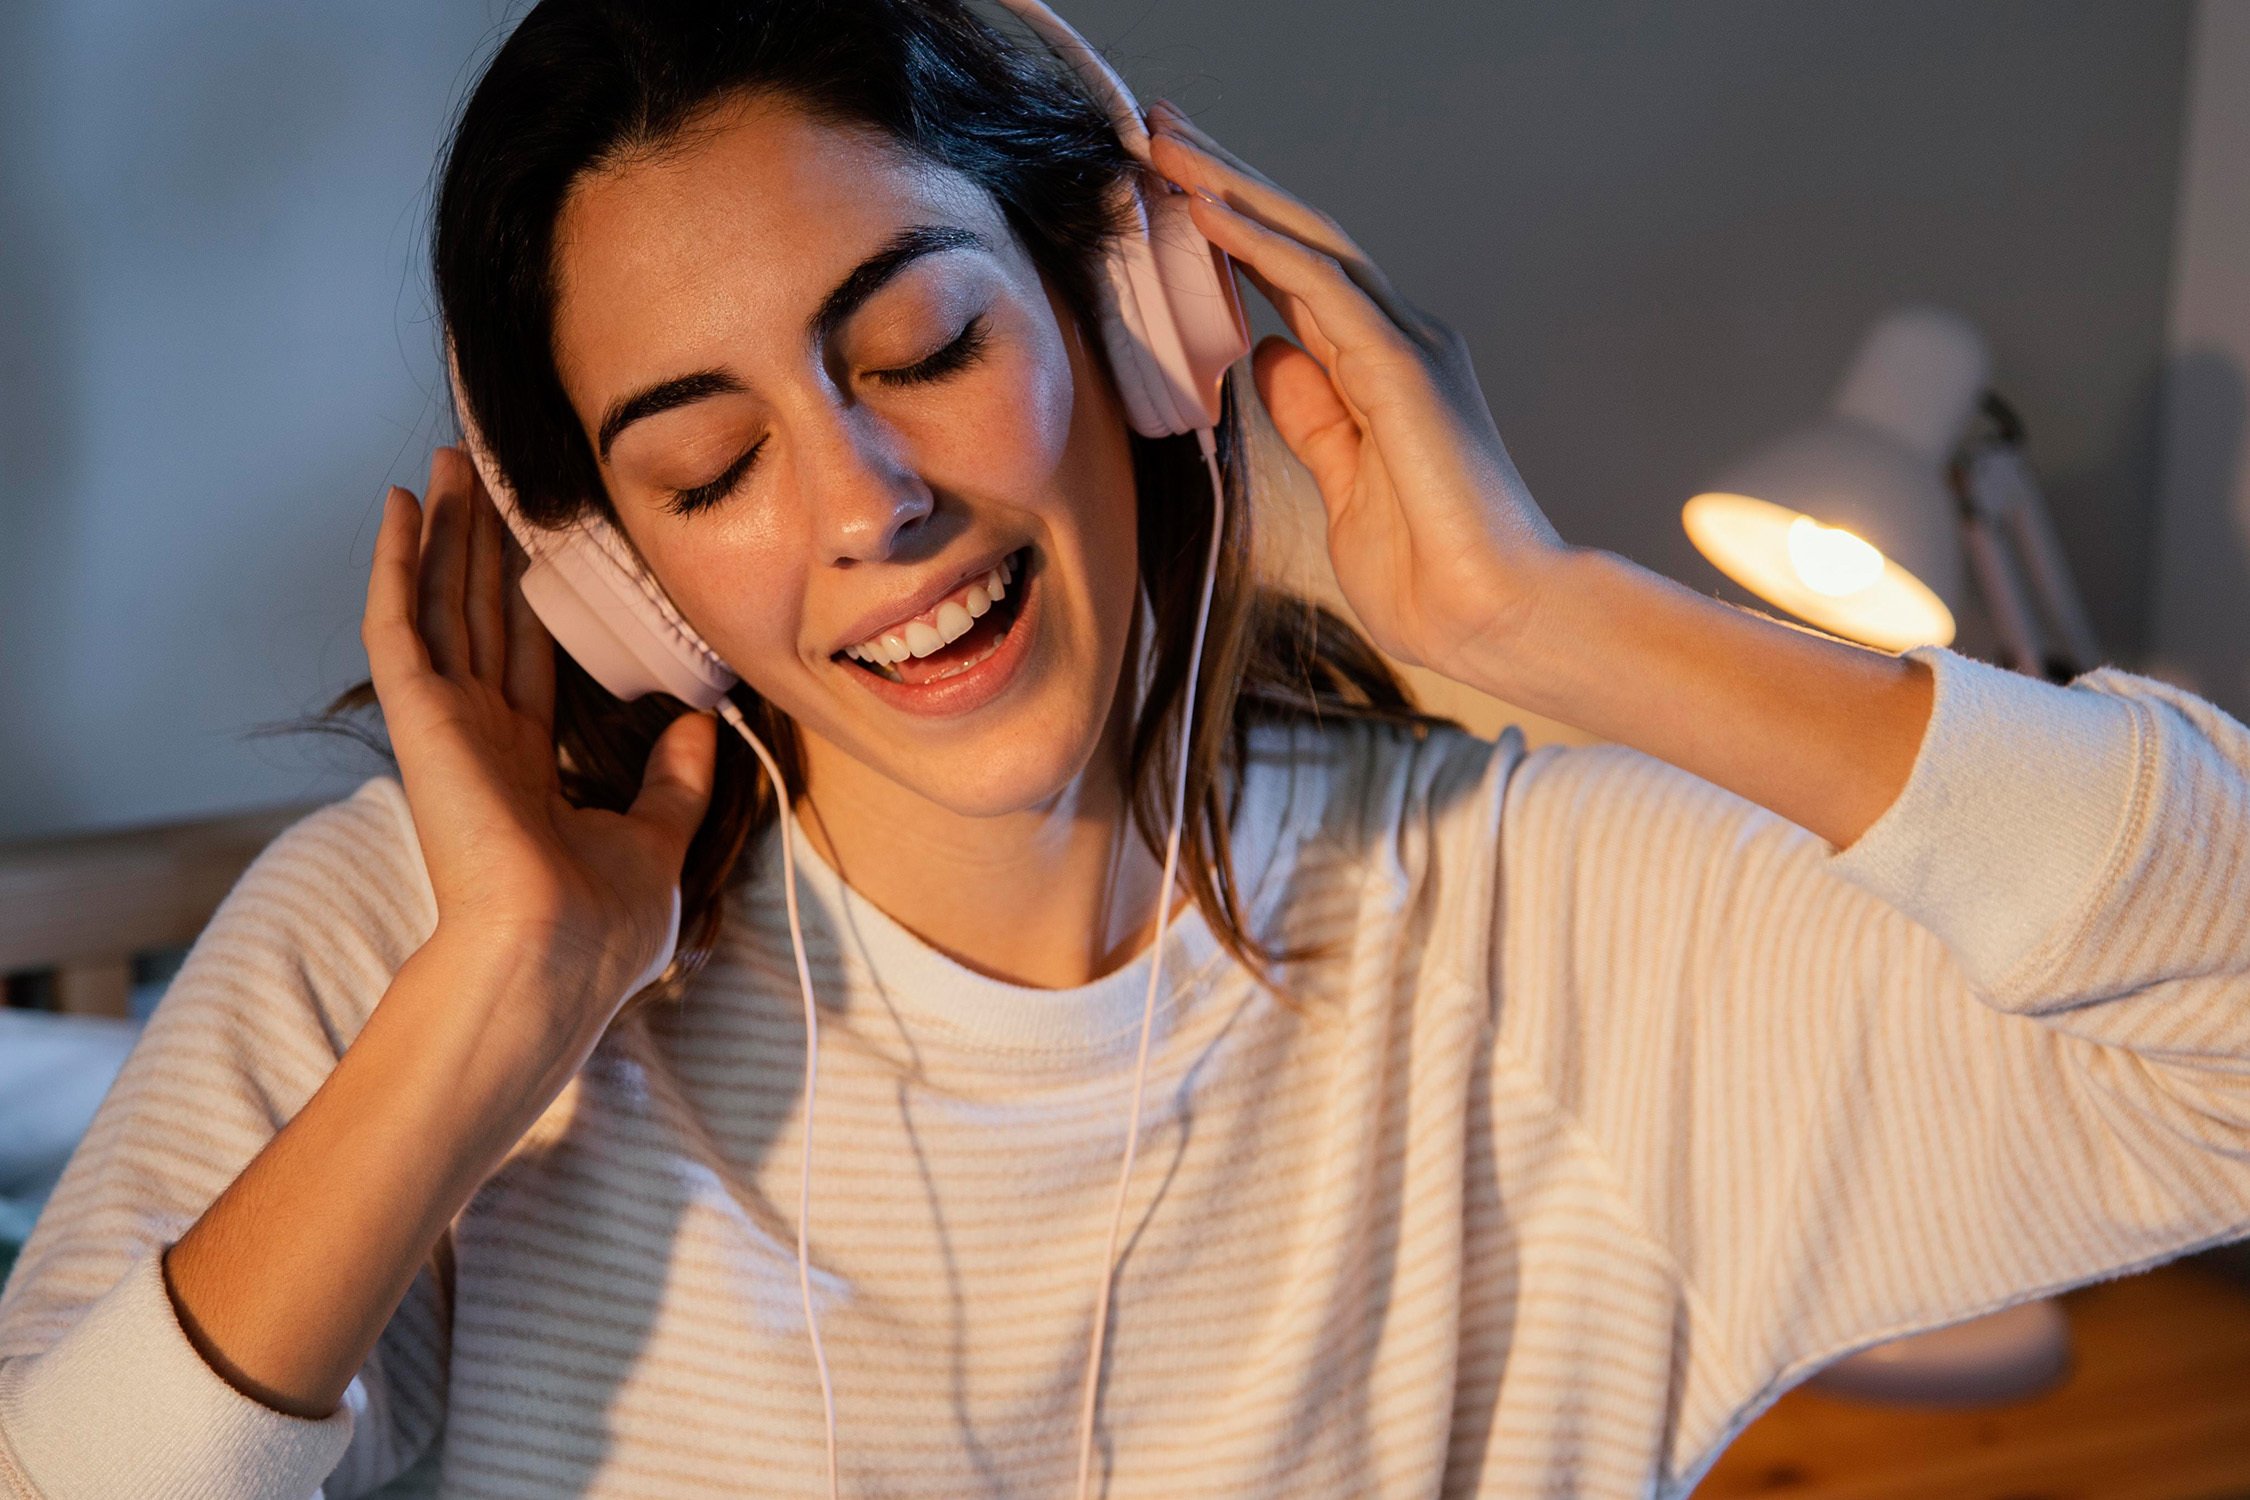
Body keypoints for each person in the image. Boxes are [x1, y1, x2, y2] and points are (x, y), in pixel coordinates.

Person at [3, 1, 2247, 1496]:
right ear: (621, 580)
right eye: (708, 470)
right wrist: (494, 1013)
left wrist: (1556, 623)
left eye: (923, 345)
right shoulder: (418, 961)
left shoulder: (1539, 925)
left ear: (1131, 317)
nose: (867, 502)